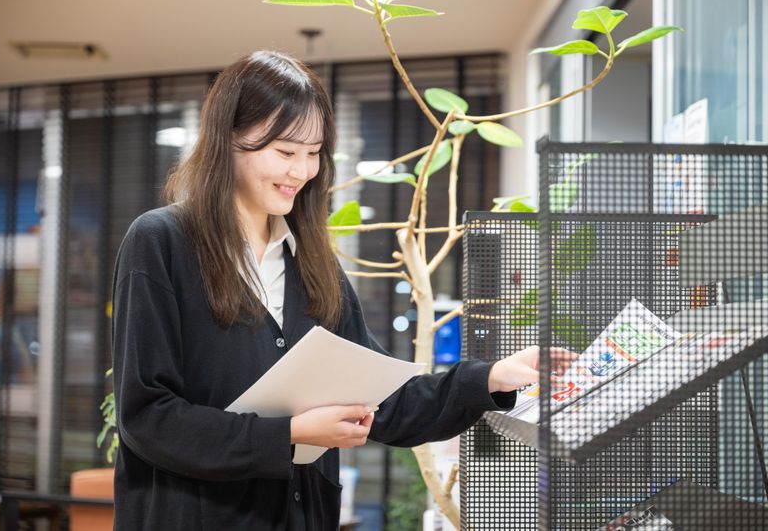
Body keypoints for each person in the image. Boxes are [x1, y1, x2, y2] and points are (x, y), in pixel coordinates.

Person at [111, 50, 575, 531]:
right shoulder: (160, 243)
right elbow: (148, 418)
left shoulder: (312, 263)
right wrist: (287, 435)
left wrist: (493, 377)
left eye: (313, 154)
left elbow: (387, 402)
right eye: (285, 152)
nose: (301, 171)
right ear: (227, 141)